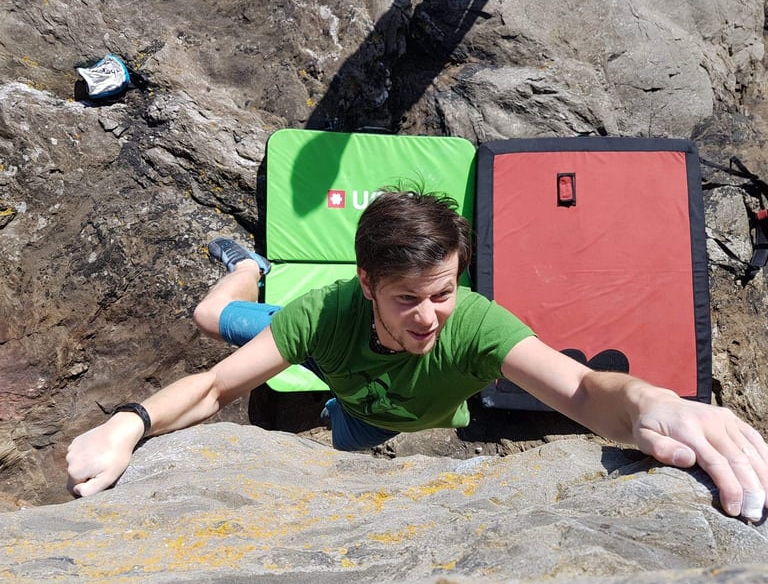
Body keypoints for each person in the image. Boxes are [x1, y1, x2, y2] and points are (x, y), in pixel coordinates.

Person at [66, 189, 768, 521]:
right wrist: (129, 423)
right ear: (367, 282)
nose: (430, 317)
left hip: (369, 413)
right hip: (325, 350)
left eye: (444, 291)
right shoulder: (321, 315)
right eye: (408, 299)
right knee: (210, 316)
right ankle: (249, 263)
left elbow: (583, 391)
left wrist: (652, 402)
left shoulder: (476, 327)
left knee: (347, 423)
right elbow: (217, 389)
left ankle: (339, 404)